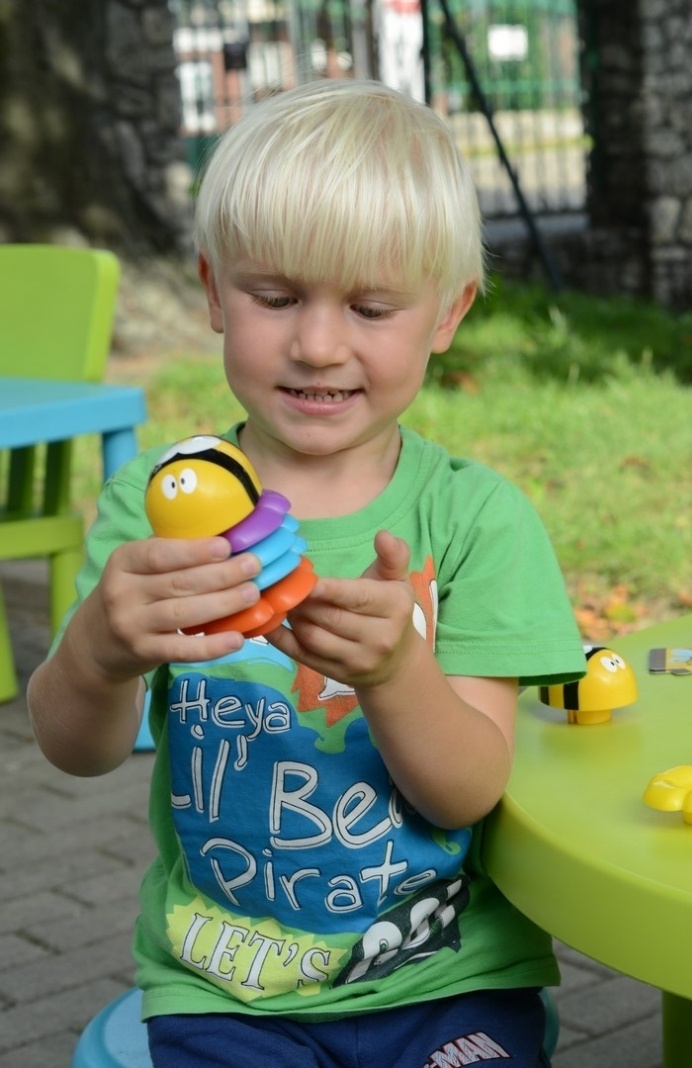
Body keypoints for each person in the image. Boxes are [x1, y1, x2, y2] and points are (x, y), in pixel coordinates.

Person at [27, 78, 586, 1066]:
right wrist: (98, 654)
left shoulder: (471, 521)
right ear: (210, 289)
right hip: (222, 995)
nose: (318, 344)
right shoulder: (152, 508)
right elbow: (77, 752)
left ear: (446, 315)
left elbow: (469, 790)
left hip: (447, 983)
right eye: (275, 297)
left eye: (371, 307)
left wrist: (395, 676)